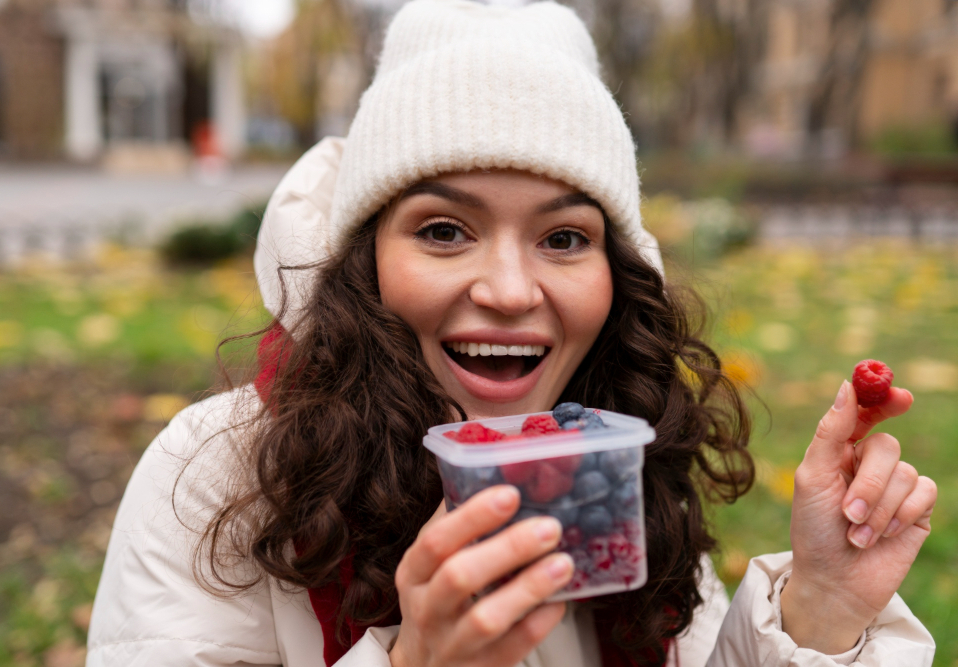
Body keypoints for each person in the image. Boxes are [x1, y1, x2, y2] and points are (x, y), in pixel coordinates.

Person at [86, 1, 938, 665]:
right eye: (444, 230)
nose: (506, 289)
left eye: (564, 238)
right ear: (364, 258)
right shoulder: (217, 478)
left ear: (618, 273)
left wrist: (823, 607)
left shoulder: (618, 453)